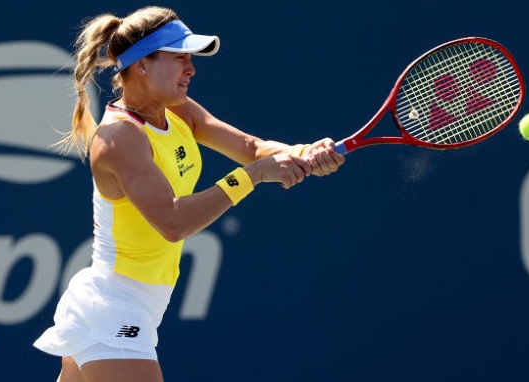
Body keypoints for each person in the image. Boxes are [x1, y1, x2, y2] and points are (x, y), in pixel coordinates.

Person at [33, 5, 344, 382]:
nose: (191, 69)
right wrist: (253, 176)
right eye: (179, 58)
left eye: (190, 59)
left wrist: (303, 151)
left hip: (128, 308)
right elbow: (172, 221)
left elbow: (251, 146)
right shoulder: (119, 137)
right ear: (142, 65)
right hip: (114, 311)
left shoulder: (176, 109)